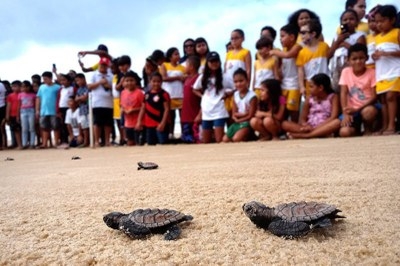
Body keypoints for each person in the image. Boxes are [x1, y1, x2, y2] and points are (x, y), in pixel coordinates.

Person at [282, 73, 340, 139]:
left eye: (311, 87)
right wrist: (305, 125)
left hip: (324, 125)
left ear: (321, 88)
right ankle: (317, 134)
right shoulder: (308, 99)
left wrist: (317, 127)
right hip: (309, 127)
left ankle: (306, 135)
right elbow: (302, 119)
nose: (309, 89)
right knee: (284, 124)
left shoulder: (333, 97)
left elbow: (333, 117)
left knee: (337, 122)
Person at [338, 43, 378, 137]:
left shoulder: (372, 73)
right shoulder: (346, 72)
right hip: (350, 110)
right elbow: (343, 93)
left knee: (368, 112)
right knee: (344, 132)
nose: (358, 61)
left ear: (367, 58)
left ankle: (369, 129)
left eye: (361, 58)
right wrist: (345, 112)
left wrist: (357, 109)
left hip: (367, 106)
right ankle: (356, 131)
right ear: (348, 60)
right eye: (354, 59)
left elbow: (374, 96)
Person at [372, 5, 400, 135]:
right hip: (381, 73)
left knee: (391, 97)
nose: (379, 24)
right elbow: (373, 55)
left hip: (395, 71)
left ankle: (391, 126)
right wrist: (375, 56)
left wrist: (389, 54)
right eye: (377, 21)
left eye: (382, 21)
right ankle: (384, 125)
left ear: (392, 20)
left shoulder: (397, 33)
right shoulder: (376, 38)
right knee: (383, 100)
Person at [193, 52, 232, 143]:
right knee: (206, 141)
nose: (214, 63)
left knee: (219, 139)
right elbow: (195, 89)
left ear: (219, 62)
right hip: (206, 110)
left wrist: (227, 94)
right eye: (212, 61)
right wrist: (203, 96)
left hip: (219, 110)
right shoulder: (202, 77)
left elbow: (234, 88)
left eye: (216, 61)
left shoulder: (224, 77)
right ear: (207, 63)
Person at [329, 9, 366, 92]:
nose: (348, 22)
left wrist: (346, 45)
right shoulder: (337, 37)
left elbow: (360, 51)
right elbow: (329, 54)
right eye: (345, 20)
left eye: (351, 19)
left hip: (350, 63)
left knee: (350, 86)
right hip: (336, 65)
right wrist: (338, 41)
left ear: (357, 22)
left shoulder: (359, 35)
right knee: (337, 88)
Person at [296, 19, 330, 98]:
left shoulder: (324, 46)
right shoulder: (302, 52)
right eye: (301, 33)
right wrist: (301, 86)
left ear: (313, 34)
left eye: (304, 33)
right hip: (310, 86)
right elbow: (300, 71)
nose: (301, 36)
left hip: (325, 84)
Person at [223, 68, 257, 142]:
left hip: (247, 123)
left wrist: (239, 118)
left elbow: (251, 115)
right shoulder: (235, 95)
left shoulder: (252, 96)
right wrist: (244, 114)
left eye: (241, 81)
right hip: (238, 122)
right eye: (236, 82)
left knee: (236, 139)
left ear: (247, 81)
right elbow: (233, 113)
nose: (238, 84)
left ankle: (250, 135)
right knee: (225, 140)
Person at [137, 72, 170, 145]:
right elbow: (143, 108)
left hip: (160, 124)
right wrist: (139, 121)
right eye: (154, 81)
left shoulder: (164, 94)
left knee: (163, 143)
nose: (156, 83)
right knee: (151, 143)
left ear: (161, 82)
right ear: (150, 81)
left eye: (158, 81)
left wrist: (163, 123)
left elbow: (167, 109)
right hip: (149, 125)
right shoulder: (147, 95)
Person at [160, 47, 185, 139]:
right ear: (170, 57)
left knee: (182, 116)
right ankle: (171, 134)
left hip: (180, 94)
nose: (178, 55)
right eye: (175, 54)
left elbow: (186, 79)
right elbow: (164, 78)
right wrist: (178, 78)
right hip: (169, 94)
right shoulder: (165, 65)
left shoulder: (183, 67)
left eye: (178, 53)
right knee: (171, 116)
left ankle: (183, 134)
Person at [87, 57, 113, 147]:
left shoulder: (111, 75)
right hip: (97, 102)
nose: (103, 67)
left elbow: (114, 88)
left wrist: (108, 85)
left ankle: (107, 141)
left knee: (108, 123)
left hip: (109, 102)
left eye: (105, 65)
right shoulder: (94, 75)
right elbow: (89, 86)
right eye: (102, 65)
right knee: (97, 122)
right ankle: (97, 141)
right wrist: (99, 82)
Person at [279, 24, 301, 122]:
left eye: (283, 36)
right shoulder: (283, 50)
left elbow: (288, 55)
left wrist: (274, 52)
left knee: (293, 108)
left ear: (292, 37)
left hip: (294, 86)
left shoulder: (297, 47)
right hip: (283, 86)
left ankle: (295, 126)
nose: (280, 39)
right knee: (282, 106)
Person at [35, 71, 61, 149]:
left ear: (50, 78)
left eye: (46, 79)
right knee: (44, 127)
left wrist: (58, 110)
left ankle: (56, 142)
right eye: (43, 79)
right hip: (44, 110)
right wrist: (37, 109)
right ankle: (44, 143)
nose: (44, 80)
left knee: (55, 127)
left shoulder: (57, 87)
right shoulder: (41, 87)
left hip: (54, 110)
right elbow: (38, 98)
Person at [120, 71, 145, 146]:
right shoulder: (123, 92)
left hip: (137, 122)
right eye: (127, 81)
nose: (129, 83)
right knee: (130, 142)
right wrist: (124, 110)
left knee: (138, 143)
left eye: (131, 80)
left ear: (135, 81)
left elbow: (143, 107)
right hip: (128, 123)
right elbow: (122, 105)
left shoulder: (139, 93)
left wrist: (139, 121)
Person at [181, 55, 201, 143]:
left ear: (191, 67)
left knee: (196, 139)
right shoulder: (186, 79)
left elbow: (203, 98)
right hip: (185, 116)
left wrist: (200, 114)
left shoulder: (199, 78)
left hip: (195, 116)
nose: (184, 67)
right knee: (186, 140)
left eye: (186, 65)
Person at [57, 74, 76, 146]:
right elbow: (58, 99)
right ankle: (64, 140)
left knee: (70, 124)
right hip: (62, 108)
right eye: (61, 80)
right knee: (63, 125)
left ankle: (72, 139)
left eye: (64, 80)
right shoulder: (61, 89)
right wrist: (58, 110)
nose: (62, 82)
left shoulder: (72, 88)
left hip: (70, 108)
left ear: (69, 81)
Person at [17, 81, 36, 149]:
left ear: (29, 87)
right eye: (23, 87)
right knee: (24, 128)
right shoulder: (20, 95)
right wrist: (17, 115)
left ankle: (32, 143)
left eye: (25, 86)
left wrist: (36, 113)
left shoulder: (33, 95)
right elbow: (19, 105)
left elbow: (35, 105)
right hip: (23, 111)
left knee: (32, 128)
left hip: (31, 111)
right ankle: (24, 143)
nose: (24, 88)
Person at [6, 80, 22, 149]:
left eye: (15, 86)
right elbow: (8, 105)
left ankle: (24, 143)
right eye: (12, 87)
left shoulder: (22, 94)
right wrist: (7, 115)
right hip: (13, 115)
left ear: (20, 87)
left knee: (22, 129)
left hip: (22, 114)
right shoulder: (10, 96)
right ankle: (19, 144)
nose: (13, 88)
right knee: (16, 130)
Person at [74, 73, 90, 147]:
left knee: (90, 125)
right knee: (84, 127)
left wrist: (80, 98)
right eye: (76, 81)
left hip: (89, 109)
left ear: (83, 79)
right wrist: (81, 98)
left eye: (78, 80)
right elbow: (76, 99)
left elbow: (86, 97)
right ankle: (86, 142)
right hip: (82, 110)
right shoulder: (79, 89)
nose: (77, 83)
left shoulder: (88, 87)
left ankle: (91, 141)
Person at [0, 80, 7, 150]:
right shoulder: (2, 85)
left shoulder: (0, 85)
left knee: (1, 127)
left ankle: (2, 144)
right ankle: (3, 144)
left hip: (1, 106)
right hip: (2, 106)